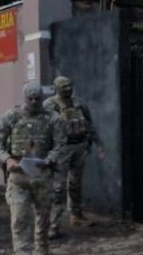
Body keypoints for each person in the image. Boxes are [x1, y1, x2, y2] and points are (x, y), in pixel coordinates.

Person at [0, 83, 65, 255]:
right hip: (18, 174)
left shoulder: (53, 118)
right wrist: (7, 159)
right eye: (30, 98)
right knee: (19, 217)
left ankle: (40, 245)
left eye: (37, 99)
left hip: (42, 173)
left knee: (43, 213)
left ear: (42, 98)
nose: (34, 102)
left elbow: (60, 144)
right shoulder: (12, 116)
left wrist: (50, 160)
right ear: (24, 98)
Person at [44, 76, 104, 237]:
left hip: (79, 147)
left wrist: (98, 144)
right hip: (62, 149)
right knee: (58, 187)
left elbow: (89, 124)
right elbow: (44, 128)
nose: (68, 89)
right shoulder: (50, 105)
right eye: (64, 86)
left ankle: (76, 215)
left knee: (76, 184)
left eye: (70, 85)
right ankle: (53, 225)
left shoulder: (79, 103)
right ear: (56, 88)